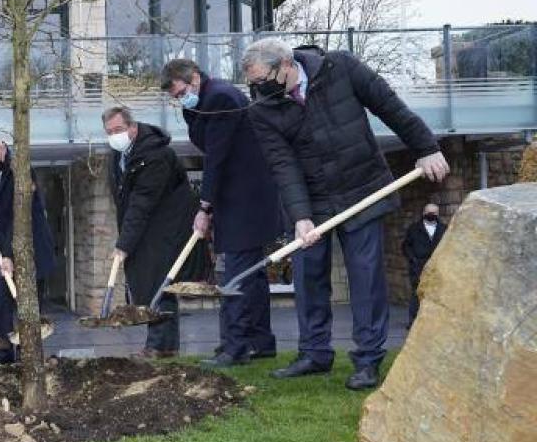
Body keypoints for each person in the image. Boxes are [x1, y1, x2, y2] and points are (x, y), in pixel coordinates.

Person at [242, 38, 449, 390]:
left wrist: (427, 148)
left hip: (363, 190)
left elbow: (390, 107)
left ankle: (367, 360)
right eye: (253, 83)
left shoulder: (340, 68)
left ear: (286, 65)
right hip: (313, 199)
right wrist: (301, 216)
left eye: (262, 80)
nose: (257, 89)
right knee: (308, 277)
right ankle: (314, 354)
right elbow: (282, 164)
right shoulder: (262, 109)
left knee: (365, 278)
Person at [161, 59, 280, 367]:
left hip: (245, 199)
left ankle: (235, 346)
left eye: (181, 92)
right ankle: (260, 341)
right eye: (175, 97)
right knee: (251, 276)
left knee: (237, 275)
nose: (180, 100)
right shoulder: (200, 103)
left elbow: (216, 157)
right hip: (240, 199)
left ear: (196, 78)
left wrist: (204, 207)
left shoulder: (220, 99)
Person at [101, 106, 195, 358]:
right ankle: (161, 344)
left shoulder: (155, 156)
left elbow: (142, 202)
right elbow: (125, 201)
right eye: (109, 132)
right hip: (144, 229)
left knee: (158, 284)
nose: (114, 136)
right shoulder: (118, 156)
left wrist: (123, 244)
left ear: (133, 127)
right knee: (146, 284)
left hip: (164, 227)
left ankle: (161, 346)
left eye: (118, 130)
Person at [0, 134, 55, 364]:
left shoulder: (20, 171)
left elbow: (19, 219)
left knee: (27, 307)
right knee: (0, 304)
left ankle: (28, 358)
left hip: (31, 249)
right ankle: (4, 358)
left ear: (4, 148)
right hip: (2, 248)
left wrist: (10, 255)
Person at [401, 202, 446, 327]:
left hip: (438, 267)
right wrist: (413, 260)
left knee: (438, 294)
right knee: (417, 294)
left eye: (434, 213)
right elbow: (406, 246)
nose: (431, 215)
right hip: (418, 266)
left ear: (438, 214)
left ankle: (436, 322)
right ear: (423, 213)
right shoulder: (414, 228)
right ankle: (414, 322)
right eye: (428, 212)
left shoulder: (444, 229)